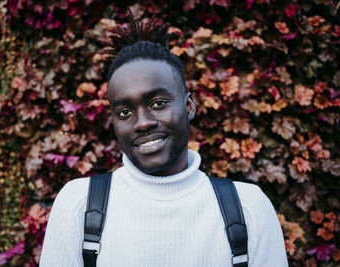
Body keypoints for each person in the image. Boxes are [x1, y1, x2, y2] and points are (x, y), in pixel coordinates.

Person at [39, 16, 288, 267]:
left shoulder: (247, 209)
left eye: (158, 104)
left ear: (189, 106)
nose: (142, 122)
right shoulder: (79, 206)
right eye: (125, 112)